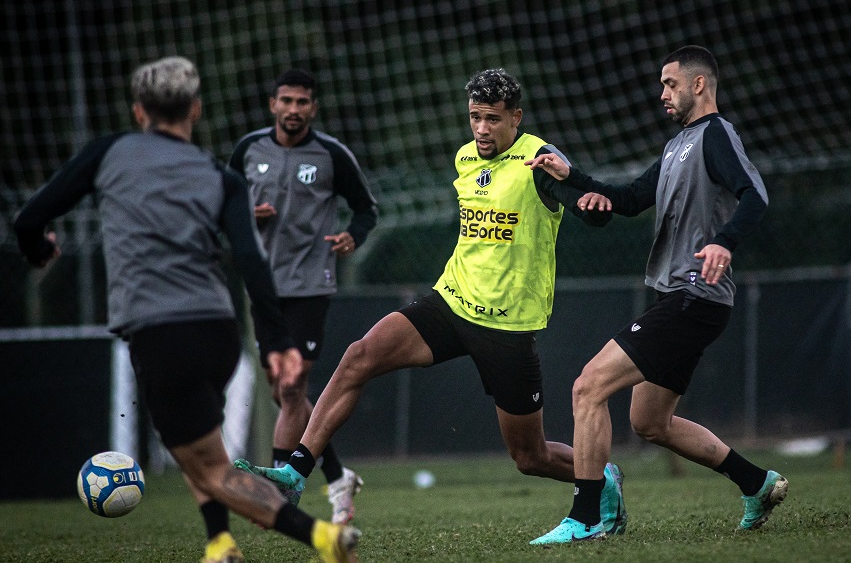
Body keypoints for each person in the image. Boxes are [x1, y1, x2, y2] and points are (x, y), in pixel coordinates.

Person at [13, 57, 364, 563]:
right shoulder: (218, 173)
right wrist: (275, 344)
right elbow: (250, 260)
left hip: (160, 332)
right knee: (204, 456)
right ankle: (220, 550)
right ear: (195, 110)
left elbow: (29, 217)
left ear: (138, 111)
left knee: (210, 472)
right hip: (217, 329)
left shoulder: (108, 153)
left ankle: (321, 537)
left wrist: (40, 251)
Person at [236, 68, 628, 537]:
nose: (481, 129)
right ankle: (295, 472)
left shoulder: (538, 162)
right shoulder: (466, 158)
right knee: (360, 356)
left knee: (530, 457)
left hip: (506, 327)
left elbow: (578, 196)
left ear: (516, 118)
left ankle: (601, 477)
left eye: (493, 120)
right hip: (450, 302)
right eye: (475, 117)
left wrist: (590, 203)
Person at [526, 45, 787, 544]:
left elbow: (756, 194)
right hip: (680, 298)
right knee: (649, 421)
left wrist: (723, 243)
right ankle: (756, 483)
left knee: (588, 386)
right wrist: (572, 178)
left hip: (695, 295)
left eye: (670, 84)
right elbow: (625, 200)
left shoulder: (715, 135)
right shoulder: (675, 148)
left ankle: (586, 517)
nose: (662, 93)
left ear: (698, 85)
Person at [228, 69, 377, 523]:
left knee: (292, 385)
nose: (294, 110)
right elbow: (220, 205)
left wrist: (353, 235)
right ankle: (336, 477)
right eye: (286, 101)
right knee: (283, 392)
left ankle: (278, 482)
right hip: (263, 286)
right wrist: (243, 213)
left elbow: (366, 210)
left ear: (314, 107)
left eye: (302, 102)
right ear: (272, 104)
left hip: (312, 282)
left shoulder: (332, 155)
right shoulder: (248, 151)